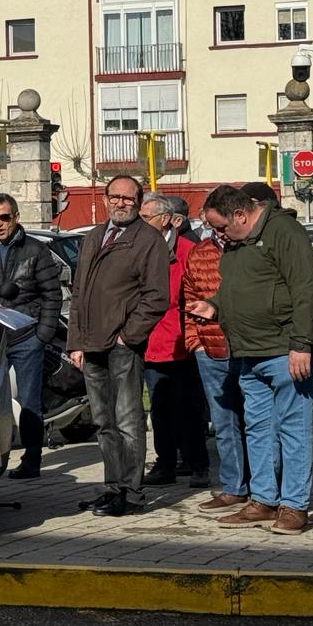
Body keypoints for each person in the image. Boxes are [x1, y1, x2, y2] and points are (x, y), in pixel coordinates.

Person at [187, 184, 313, 535]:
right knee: (258, 428)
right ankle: (263, 499)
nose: (218, 235)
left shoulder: (283, 231)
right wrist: (215, 305)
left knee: (292, 429)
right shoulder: (238, 242)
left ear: (241, 214)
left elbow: (307, 289)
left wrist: (301, 344)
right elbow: (240, 286)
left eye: (220, 227)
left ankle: (294, 506)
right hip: (248, 351)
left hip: (284, 350)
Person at [69, 174, 171, 517]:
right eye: (116, 197)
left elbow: (156, 297)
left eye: (129, 199)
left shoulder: (148, 240)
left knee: (127, 422)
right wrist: (76, 343)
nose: (121, 203)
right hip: (92, 344)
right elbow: (79, 294)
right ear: (106, 197)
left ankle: (131, 493)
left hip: (122, 346)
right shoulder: (94, 237)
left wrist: (129, 335)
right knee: (103, 422)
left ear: (139, 202)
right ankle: (112, 487)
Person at [0, 192, 61, 479]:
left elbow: (52, 294)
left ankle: (32, 459)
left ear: (16, 217)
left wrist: (43, 334)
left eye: (4, 217)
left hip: (27, 338)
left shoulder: (35, 250)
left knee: (28, 402)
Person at [139, 193, 209, 488]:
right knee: (159, 407)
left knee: (189, 407)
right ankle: (165, 463)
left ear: (166, 219)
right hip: (149, 340)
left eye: (145, 219)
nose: (139, 224)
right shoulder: (139, 249)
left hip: (182, 340)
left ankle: (198, 465)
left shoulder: (188, 250)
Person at [182, 218, 248, 514]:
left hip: (249, 347)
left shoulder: (251, 249)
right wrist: (194, 342)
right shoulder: (200, 252)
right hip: (209, 348)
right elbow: (189, 297)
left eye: (221, 224)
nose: (217, 230)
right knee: (224, 422)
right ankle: (233, 487)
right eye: (211, 224)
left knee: (257, 422)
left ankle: (264, 487)